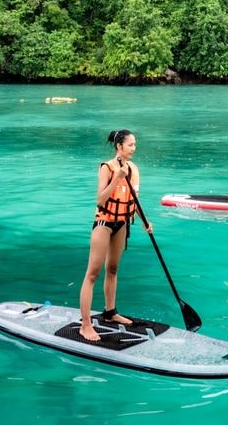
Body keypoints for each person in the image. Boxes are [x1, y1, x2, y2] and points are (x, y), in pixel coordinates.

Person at [78, 129, 151, 342]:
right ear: (119, 146)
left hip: (123, 224)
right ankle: (85, 324)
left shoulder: (134, 169)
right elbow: (100, 200)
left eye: (135, 145)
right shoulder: (107, 168)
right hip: (104, 223)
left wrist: (146, 222)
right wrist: (117, 178)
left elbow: (134, 200)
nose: (133, 148)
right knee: (93, 273)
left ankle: (110, 313)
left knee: (113, 269)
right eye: (130, 145)